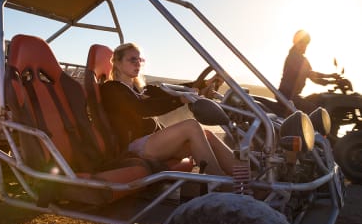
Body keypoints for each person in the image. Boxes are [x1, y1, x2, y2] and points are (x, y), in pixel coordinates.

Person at [100, 42, 243, 176]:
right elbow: (141, 109)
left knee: (208, 136)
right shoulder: (111, 89)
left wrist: (204, 83)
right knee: (191, 126)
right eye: (132, 59)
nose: (138, 63)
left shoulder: (140, 89)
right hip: (134, 148)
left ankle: (244, 179)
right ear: (117, 63)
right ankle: (221, 184)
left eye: (139, 60)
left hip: (151, 143)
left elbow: (171, 90)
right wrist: (180, 99)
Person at [278, 30, 337, 113]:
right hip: (286, 96)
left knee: (315, 100)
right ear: (295, 42)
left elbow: (312, 74)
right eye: (301, 42)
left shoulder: (300, 58)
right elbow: (312, 75)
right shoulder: (294, 57)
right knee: (316, 112)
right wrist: (331, 79)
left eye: (306, 43)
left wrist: (331, 77)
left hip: (289, 95)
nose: (304, 45)